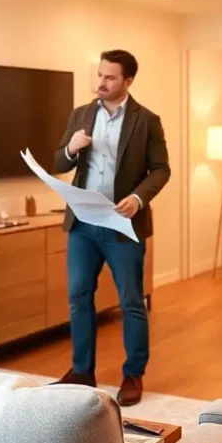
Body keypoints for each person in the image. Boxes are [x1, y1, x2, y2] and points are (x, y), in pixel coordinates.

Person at [53, 49, 170, 406]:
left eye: (110, 77)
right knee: (78, 297)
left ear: (128, 81)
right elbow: (59, 161)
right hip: (83, 223)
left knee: (131, 301)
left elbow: (161, 170)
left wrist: (138, 198)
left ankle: (133, 374)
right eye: (100, 75)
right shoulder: (81, 114)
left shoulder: (147, 120)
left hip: (122, 225)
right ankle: (82, 371)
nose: (101, 83)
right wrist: (71, 149)